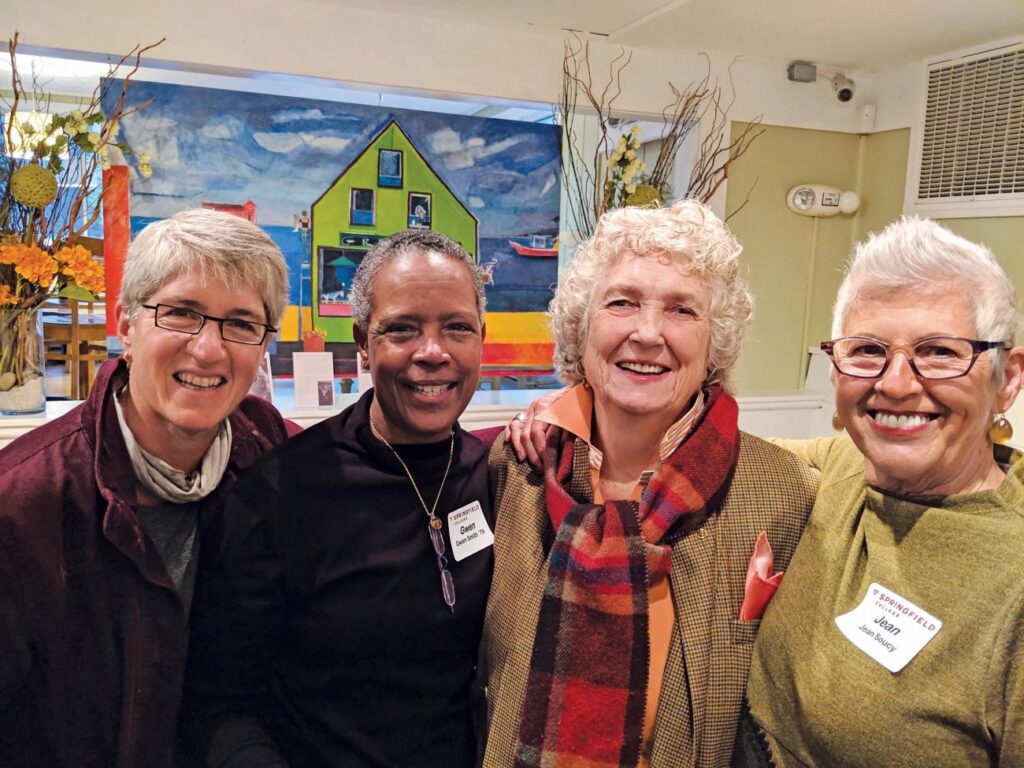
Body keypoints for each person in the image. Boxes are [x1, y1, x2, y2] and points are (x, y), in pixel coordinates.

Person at [482, 199, 818, 768]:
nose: (647, 332)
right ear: (580, 328)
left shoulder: (783, 490)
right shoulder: (518, 468)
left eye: (682, 310)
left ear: (715, 342)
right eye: (622, 303)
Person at [183, 230, 495, 767]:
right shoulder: (280, 493)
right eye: (401, 329)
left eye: (457, 328)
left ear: (480, 339)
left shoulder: (501, 476)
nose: (433, 353)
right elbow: (221, 702)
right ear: (362, 343)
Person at [0, 208, 291, 767]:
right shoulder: (24, 503)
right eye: (181, 314)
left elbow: (382, 458)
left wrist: (513, 433)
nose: (208, 349)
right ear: (128, 327)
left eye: (241, 323)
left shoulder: (273, 455)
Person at [740, 218, 1024, 766]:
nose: (895, 383)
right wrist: (566, 414)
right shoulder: (842, 467)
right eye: (868, 350)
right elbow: (695, 450)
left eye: (940, 351)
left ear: (1006, 380)